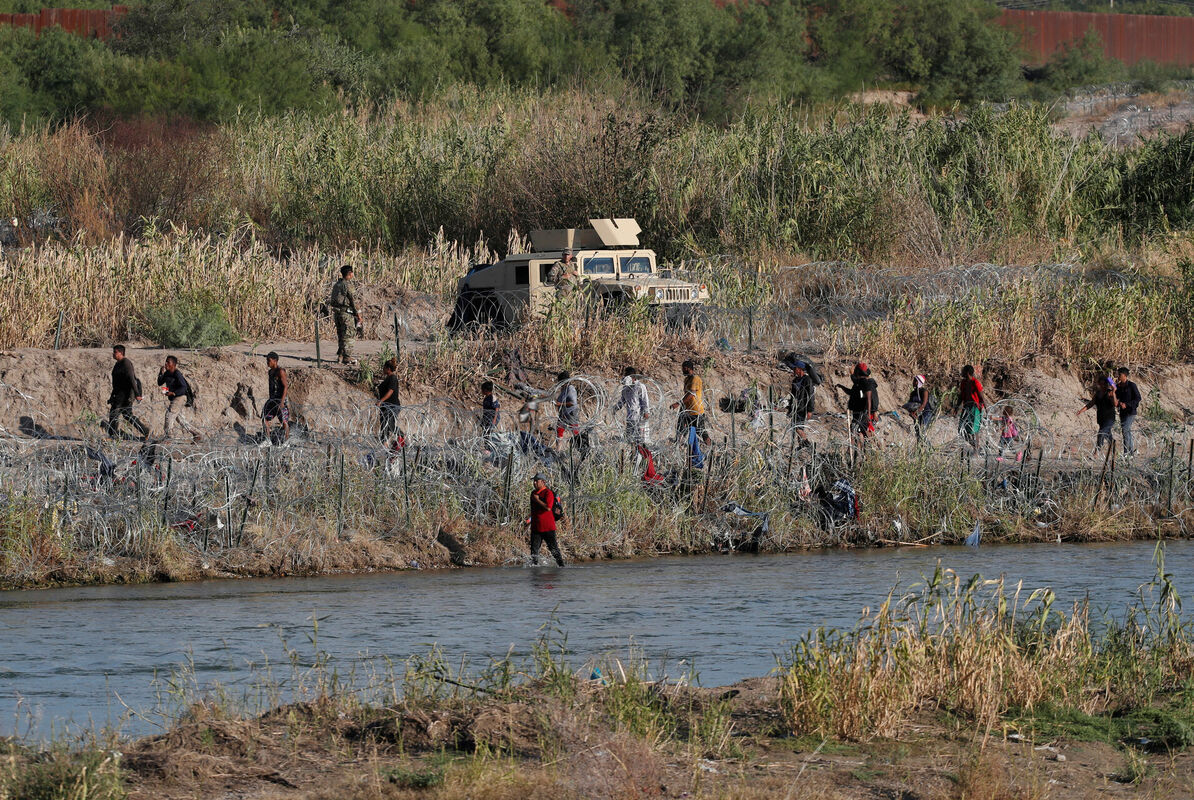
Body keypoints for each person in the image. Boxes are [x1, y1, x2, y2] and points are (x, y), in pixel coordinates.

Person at [105, 345, 149, 440]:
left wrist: (137, 394)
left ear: (121, 353)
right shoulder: (118, 364)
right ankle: (145, 431)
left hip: (126, 393)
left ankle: (112, 435)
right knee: (127, 415)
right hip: (119, 393)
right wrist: (112, 396)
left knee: (114, 413)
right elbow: (116, 383)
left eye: (115, 352)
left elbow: (132, 379)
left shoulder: (126, 363)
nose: (113, 354)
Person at [156, 355, 200, 442]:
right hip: (174, 398)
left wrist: (173, 393)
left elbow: (183, 387)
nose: (166, 363)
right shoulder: (167, 373)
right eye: (166, 361)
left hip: (180, 397)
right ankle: (197, 434)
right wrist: (161, 373)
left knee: (169, 415)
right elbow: (160, 382)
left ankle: (169, 437)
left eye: (168, 362)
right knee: (180, 419)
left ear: (174, 364)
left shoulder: (177, 374)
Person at [835, 363, 876, 448]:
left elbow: (869, 399)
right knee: (860, 431)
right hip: (857, 412)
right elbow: (851, 392)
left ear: (858, 372)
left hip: (862, 412)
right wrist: (842, 387)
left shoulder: (866, 383)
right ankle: (861, 450)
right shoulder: (858, 382)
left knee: (855, 430)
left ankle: (855, 449)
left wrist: (868, 414)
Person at [529, 473, 565, 566]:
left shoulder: (548, 493)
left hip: (548, 527)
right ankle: (534, 568)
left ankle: (561, 566)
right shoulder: (533, 493)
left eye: (537, 481)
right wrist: (529, 520)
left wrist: (537, 500)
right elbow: (533, 510)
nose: (534, 483)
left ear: (543, 482)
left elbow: (548, 507)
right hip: (536, 528)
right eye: (534, 481)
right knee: (534, 552)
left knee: (553, 549)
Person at [670, 360, 709, 445]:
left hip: (696, 410)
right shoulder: (687, 379)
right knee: (681, 427)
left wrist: (678, 403)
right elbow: (686, 394)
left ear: (688, 368)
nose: (682, 370)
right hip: (687, 409)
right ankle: (678, 444)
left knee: (700, 431)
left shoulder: (696, 379)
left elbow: (691, 394)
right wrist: (682, 408)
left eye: (683, 368)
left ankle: (710, 446)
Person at [329, 265, 362, 365]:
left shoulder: (337, 285)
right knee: (349, 334)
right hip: (346, 314)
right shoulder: (347, 285)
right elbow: (354, 300)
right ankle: (347, 357)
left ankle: (341, 356)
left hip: (337, 313)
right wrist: (359, 314)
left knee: (341, 335)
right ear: (350, 273)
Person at [611, 366, 651, 444]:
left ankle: (641, 450)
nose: (625, 377)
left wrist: (646, 412)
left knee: (641, 439)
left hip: (639, 417)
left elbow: (644, 400)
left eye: (627, 375)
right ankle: (632, 450)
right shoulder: (625, 388)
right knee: (630, 439)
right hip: (630, 417)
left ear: (633, 377)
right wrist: (616, 408)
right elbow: (622, 401)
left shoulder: (640, 386)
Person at [1077, 375, 1117, 450]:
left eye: (1104, 384)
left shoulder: (1110, 393)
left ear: (1107, 384)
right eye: (1101, 384)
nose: (1103, 386)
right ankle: (1113, 446)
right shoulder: (1097, 394)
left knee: (1101, 433)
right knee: (1107, 434)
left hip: (1109, 418)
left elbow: (1115, 404)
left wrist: (1114, 392)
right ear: (1099, 384)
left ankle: (1097, 451)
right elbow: (1091, 404)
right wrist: (1081, 410)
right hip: (1101, 418)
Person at [954, 365, 986, 451]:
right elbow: (961, 396)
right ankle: (975, 446)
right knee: (961, 429)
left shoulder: (975, 383)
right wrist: (957, 407)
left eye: (963, 371)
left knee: (974, 430)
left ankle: (976, 449)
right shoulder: (963, 383)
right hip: (966, 407)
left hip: (975, 408)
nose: (961, 373)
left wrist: (987, 409)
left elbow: (982, 396)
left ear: (967, 372)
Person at [262, 352, 290, 443]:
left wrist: (282, 402)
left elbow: (285, 386)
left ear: (275, 361)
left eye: (269, 361)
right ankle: (267, 440)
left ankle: (286, 442)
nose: (267, 363)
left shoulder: (280, 371)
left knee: (284, 421)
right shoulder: (270, 372)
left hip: (280, 400)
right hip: (272, 400)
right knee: (265, 419)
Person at [788, 360, 816, 447]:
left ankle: (808, 445)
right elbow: (792, 396)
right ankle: (801, 445)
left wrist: (810, 410)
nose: (793, 370)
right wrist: (790, 409)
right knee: (797, 426)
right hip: (795, 407)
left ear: (800, 369)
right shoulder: (795, 380)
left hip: (802, 408)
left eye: (795, 368)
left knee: (797, 428)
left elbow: (811, 395)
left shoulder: (807, 380)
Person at [902, 374, 934, 445]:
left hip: (926, 413)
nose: (913, 382)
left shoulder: (924, 392)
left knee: (922, 431)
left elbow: (923, 404)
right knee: (917, 433)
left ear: (918, 382)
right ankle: (919, 448)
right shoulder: (913, 393)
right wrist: (912, 413)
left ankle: (928, 448)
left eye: (914, 380)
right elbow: (910, 404)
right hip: (916, 414)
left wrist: (916, 412)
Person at [1115, 367, 1141, 456]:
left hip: (1131, 411)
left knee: (1125, 429)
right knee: (1126, 431)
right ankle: (1130, 452)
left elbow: (1138, 398)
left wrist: (1127, 404)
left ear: (1125, 375)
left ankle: (1126, 453)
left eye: (1120, 374)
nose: (1118, 376)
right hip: (1122, 412)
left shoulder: (1132, 385)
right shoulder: (1118, 386)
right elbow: (1116, 399)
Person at [376, 358, 401, 447]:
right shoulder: (387, 378)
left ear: (388, 369)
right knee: (384, 425)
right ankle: (384, 445)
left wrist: (381, 401)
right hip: (385, 406)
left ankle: (401, 435)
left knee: (390, 425)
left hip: (392, 406)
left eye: (384, 368)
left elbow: (390, 391)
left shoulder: (393, 378)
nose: (382, 369)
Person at [554, 371, 579, 441]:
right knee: (559, 431)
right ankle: (558, 448)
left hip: (571, 413)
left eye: (559, 381)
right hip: (563, 413)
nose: (559, 383)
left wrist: (560, 404)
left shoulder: (570, 389)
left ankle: (580, 445)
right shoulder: (564, 389)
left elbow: (573, 403)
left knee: (575, 432)